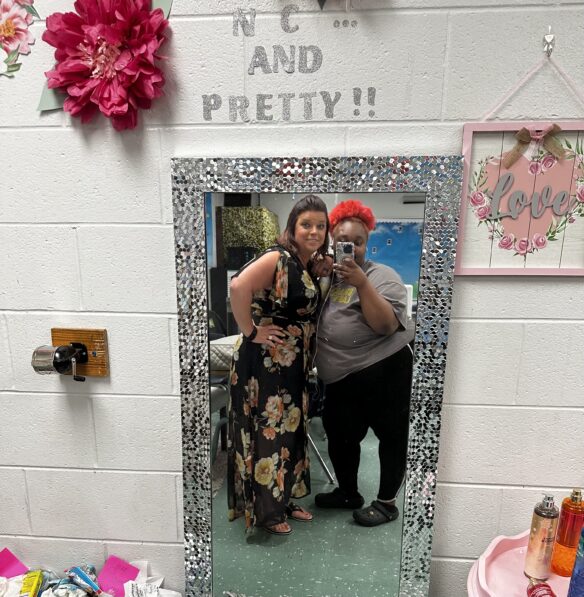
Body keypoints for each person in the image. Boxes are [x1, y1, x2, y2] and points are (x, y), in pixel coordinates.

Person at [227, 194, 331, 535]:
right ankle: (267, 512)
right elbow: (238, 285)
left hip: (291, 364)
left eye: (320, 225)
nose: (313, 231)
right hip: (266, 362)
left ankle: (282, 497)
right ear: (292, 227)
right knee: (270, 430)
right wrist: (251, 331)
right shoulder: (278, 257)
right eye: (306, 224)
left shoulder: (304, 262)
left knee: (290, 429)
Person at [314, 199, 414, 527]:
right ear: (333, 242)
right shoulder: (329, 280)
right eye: (343, 241)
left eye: (357, 242)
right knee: (340, 436)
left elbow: (385, 325)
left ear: (366, 243)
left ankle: (386, 503)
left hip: (384, 373)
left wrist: (361, 283)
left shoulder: (382, 276)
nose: (351, 248)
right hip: (341, 380)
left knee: (391, 436)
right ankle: (347, 492)